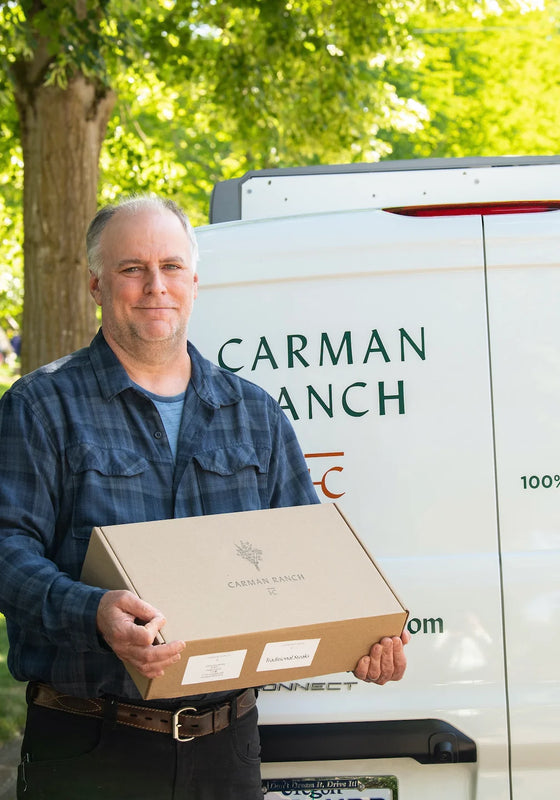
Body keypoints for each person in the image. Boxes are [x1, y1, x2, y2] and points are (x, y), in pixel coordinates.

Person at [0, 196, 409, 800]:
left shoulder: (255, 414)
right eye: (131, 268)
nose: (154, 286)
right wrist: (92, 612)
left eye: (170, 267)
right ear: (95, 283)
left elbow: (313, 561)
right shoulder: (41, 405)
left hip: (226, 749)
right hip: (89, 746)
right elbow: (7, 548)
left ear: (194, 281)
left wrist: (364, 636)